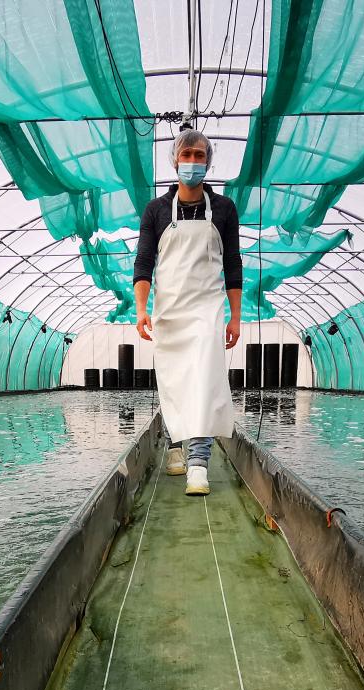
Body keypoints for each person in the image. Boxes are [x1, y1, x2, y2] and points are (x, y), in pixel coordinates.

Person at [133, 129, 241, 496]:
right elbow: (144, 261)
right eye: (187, 154)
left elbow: (234, 264)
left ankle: (199, 463)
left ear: (208, 162)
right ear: (175, 159)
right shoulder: (157, 209)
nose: (192, 161)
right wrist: (141, 309)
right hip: (170, 309)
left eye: (199, 155)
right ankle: (175, 449)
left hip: (207, 307)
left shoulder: (224, 209)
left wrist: (236, 316)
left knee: (205, 382)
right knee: (174, 381)